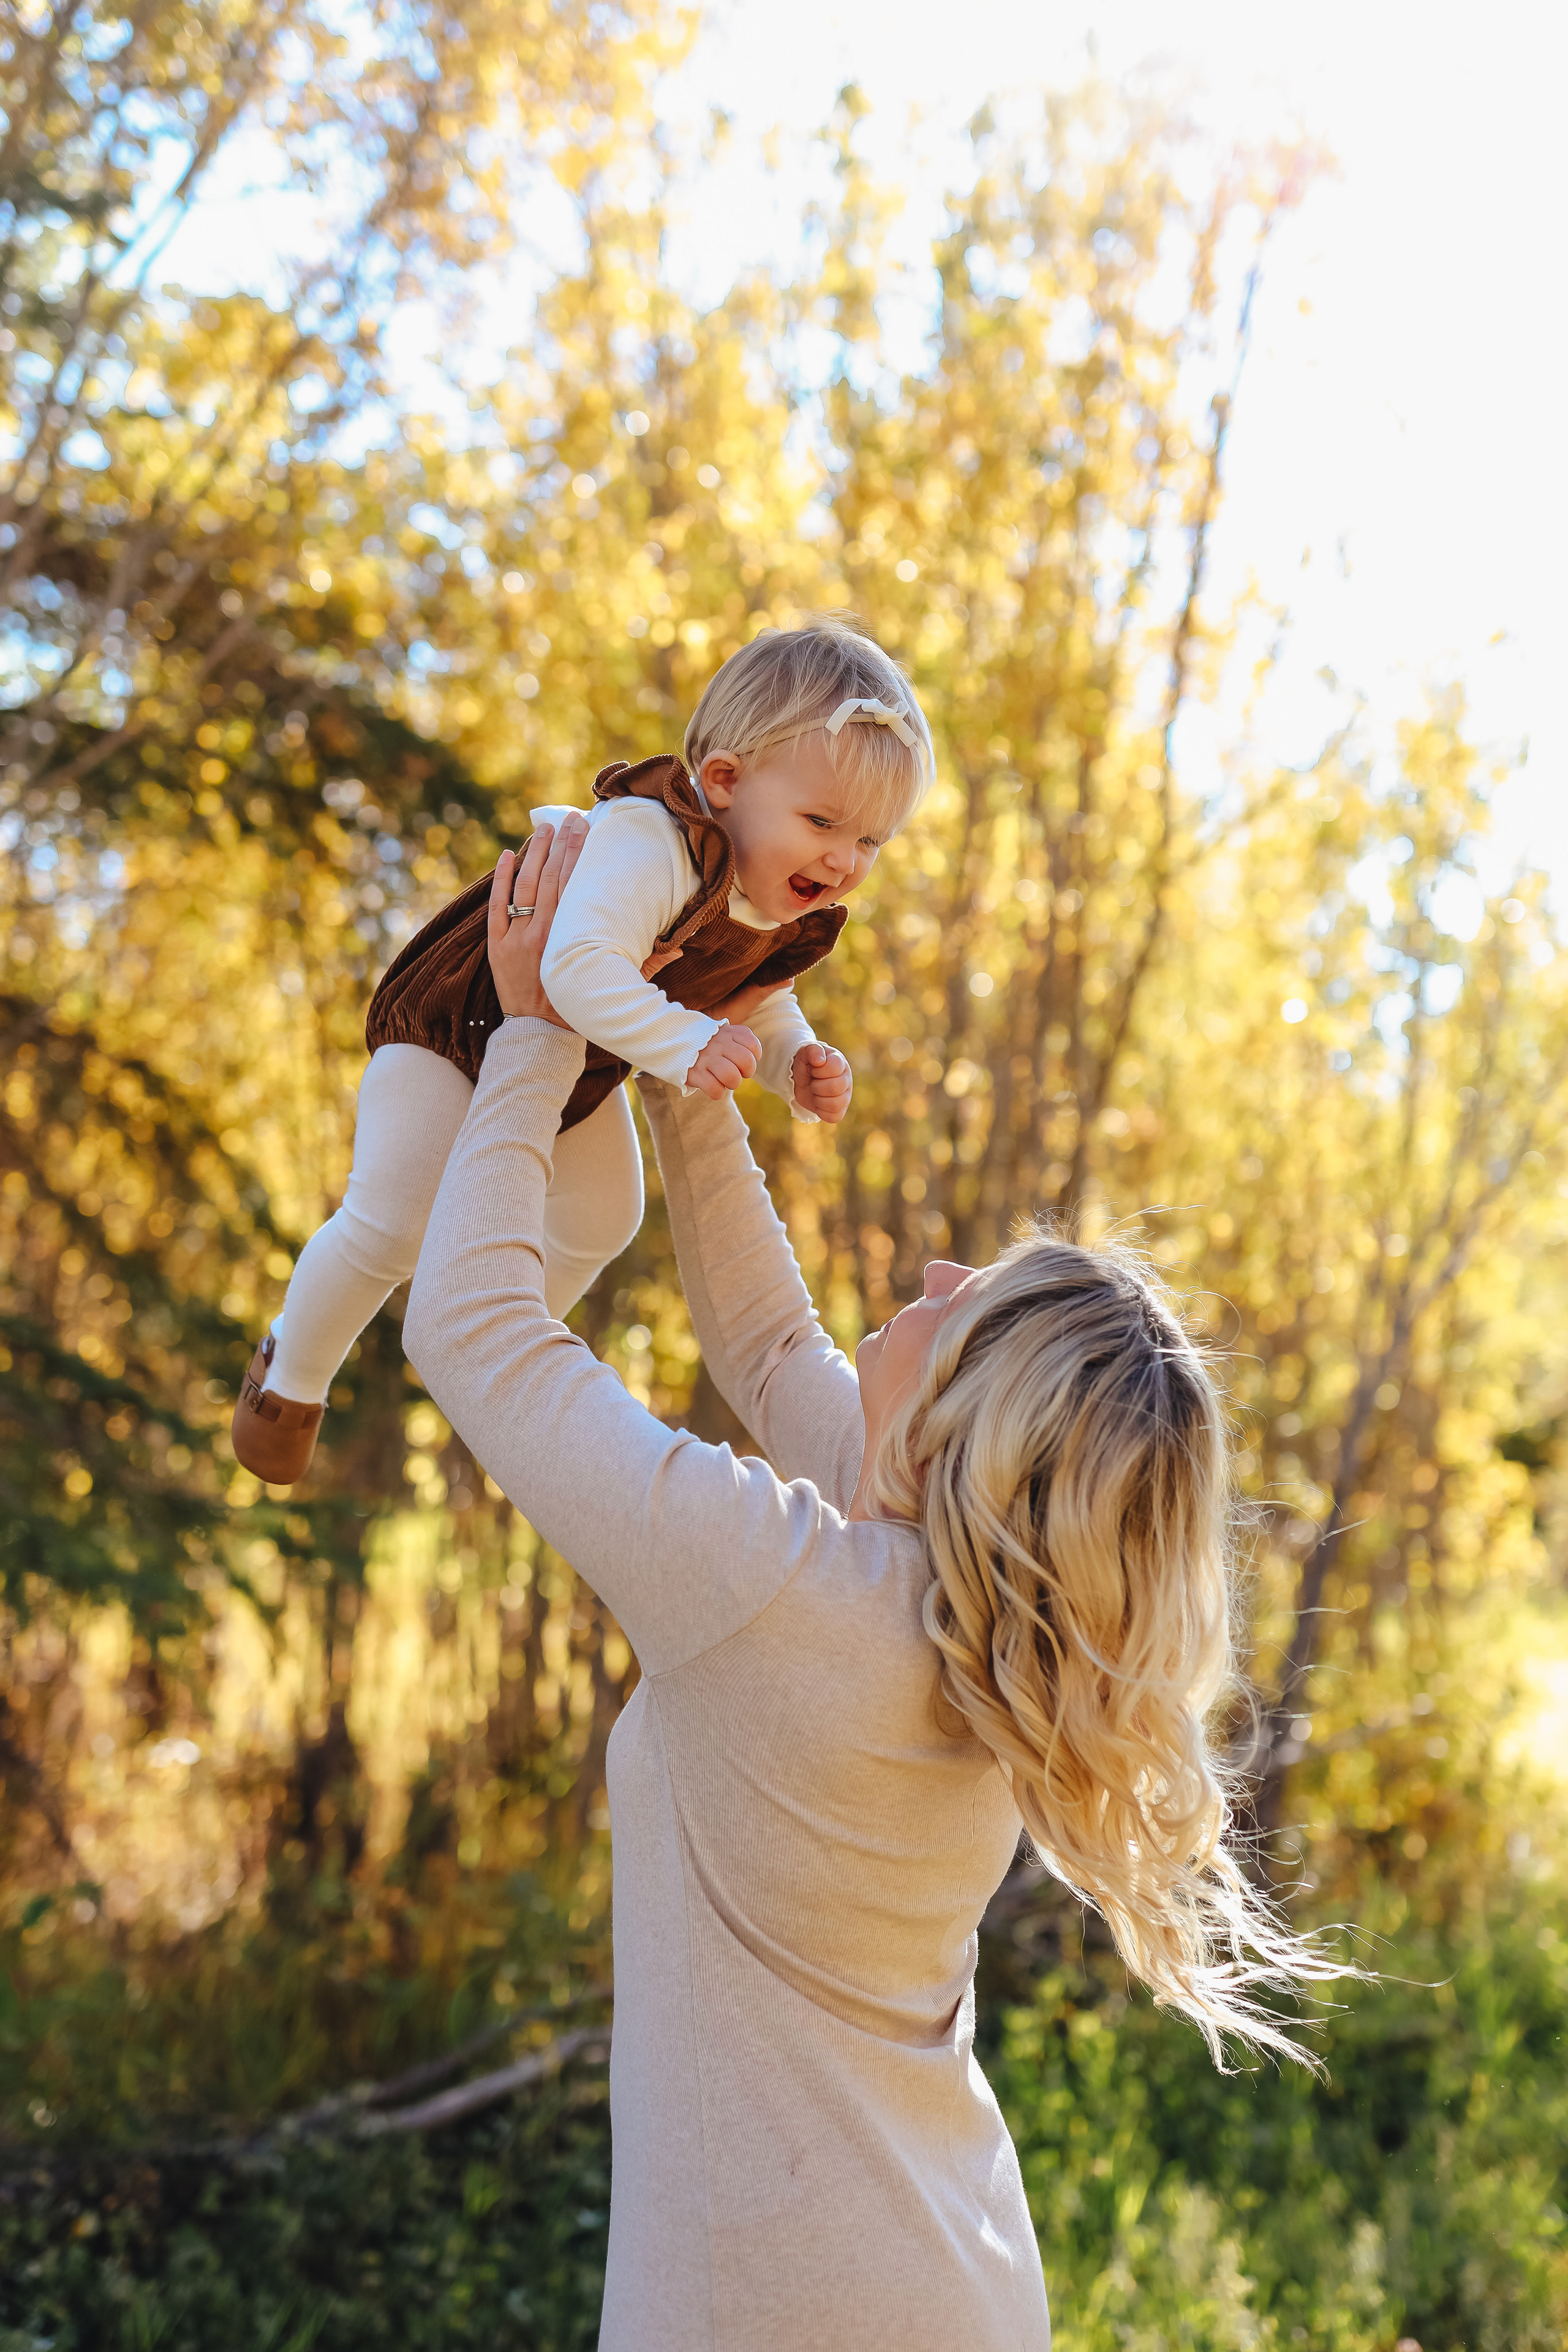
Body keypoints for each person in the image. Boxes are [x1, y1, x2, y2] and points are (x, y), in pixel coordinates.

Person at [401, 823, 1338, 2352]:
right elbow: (772, 1349)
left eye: (970, 1305)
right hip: (948, 2281)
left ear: (963, 1424)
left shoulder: (785, 1587)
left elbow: (471, 1328)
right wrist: (686, 1039)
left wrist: (527, 1033)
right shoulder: (962, 1616)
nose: (933, 1282)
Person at [230, 617, 933, 1484]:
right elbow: (573, 967)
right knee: (390, 1222)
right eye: (823, 820)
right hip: (455, 1032)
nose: (845, 858)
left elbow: (763, 1000)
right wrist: (686, 1041)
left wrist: (796, 1064)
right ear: (723, 781)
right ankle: (287, 1383)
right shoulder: (655, 842)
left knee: (606, 1217)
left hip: (566, 1072)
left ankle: (482, 1353)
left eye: (871, 840)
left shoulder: (774, 899)